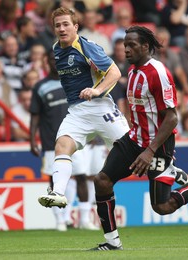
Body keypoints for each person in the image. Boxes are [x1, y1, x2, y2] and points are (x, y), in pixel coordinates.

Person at [90, 25, 188, 250]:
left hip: (158, 145)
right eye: (124, 45)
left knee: (162, 207)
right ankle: (112, 242)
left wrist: (149, 152)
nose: (125, 50)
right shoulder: (133, 71)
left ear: (145, 46)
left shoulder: (158, 72)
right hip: (134, 139)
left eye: (131, 45)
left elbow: (172, 118)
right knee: (102, 181)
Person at [37, 7, 130, 208]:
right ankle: (58, 193)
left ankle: (172, 172)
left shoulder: (86, 46)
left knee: (134, 155)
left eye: (66, 24)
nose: (62, 28)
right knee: (62, 145)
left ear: (75, 27)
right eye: (57, 25)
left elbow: (114, 72)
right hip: (77, 112)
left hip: (101, 108)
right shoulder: (56, 49)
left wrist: (97, 90)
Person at [30, 51, 97, 231]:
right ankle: (60, 220)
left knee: (82, 176)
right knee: (55, 180)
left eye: (56, 59)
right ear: (46, 62)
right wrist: (32, 140)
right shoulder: (40, 87)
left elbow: (87, 108)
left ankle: (84, 219)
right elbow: (35, 116)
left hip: (76, 139)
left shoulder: (73, 81)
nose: (54, 62)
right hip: (51, 142)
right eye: (50, 59)